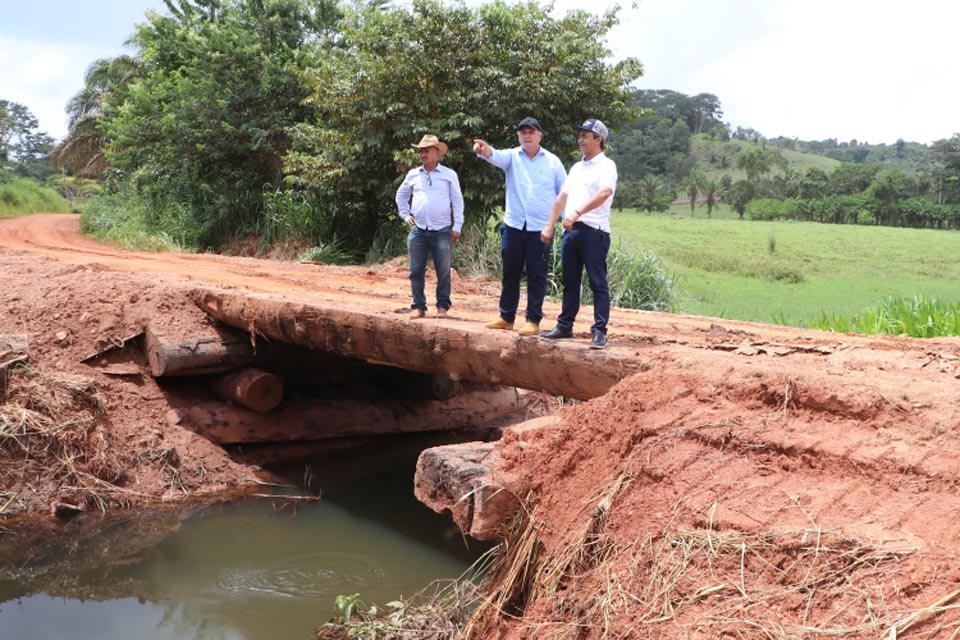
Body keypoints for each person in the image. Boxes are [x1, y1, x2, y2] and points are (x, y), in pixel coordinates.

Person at [472, 117, 567, 337]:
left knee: (537, 275)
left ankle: (533, 320)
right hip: (514, 225)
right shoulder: (512, 157)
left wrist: (565, 223)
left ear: (539, 136)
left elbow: (564, 193)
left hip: (540, 228)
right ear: (518, 136)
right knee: (510, 272)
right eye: (523, 132)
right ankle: (506, 317)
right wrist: (484, 150)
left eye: (531, 132)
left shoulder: (553, 162)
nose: (527, 136)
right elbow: (494, 155)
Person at [539, 118, 618, 349]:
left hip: (594, 231)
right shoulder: (576, 167)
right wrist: (550, 225)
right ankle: (565, 326)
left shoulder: (607, 166)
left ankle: (600, 331)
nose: (580, 139)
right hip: (571, 231)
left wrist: (577, 212)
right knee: (570, 281)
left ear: (598, 139)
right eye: (580, 135)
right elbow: (561, 198)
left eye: (585, 135)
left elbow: (604, 193)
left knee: (597, 282)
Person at [395, 134, 464, 318]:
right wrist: (405, 215)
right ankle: (418, 306)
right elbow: (401, 195)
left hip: (442, 229)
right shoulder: (413, 174)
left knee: (443, 270)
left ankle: (442, 306)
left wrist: (457, 225)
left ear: (436, 152)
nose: (423, 155)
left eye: (426, 151)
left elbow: (457, 201)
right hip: (419, 229)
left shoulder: (449, 175)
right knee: (415, 270)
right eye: (421, 151)